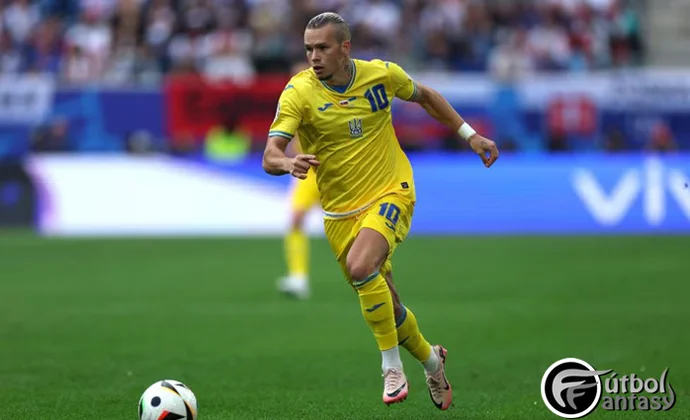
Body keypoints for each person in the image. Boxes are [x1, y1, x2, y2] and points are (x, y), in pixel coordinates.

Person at [262, 12, 499, 409]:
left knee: (360, 268)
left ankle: (391, 367)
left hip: (391, 190)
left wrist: (469, 135)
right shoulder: (298, 92)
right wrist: (287, 163)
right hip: (340, 212)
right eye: (308, 49)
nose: (314, 57)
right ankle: (432, 361)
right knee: (388, 303)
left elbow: (426, 96)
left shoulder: (381, 75)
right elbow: (270, 154)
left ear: (345, 48)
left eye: (322, 48)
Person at [277, 61, 322, 300]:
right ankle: (298, 277)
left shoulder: (325, 100)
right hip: (307, 174)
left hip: (333, 173)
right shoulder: (291, 101)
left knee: (354, 226)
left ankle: (370, 271)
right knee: (296, 219)